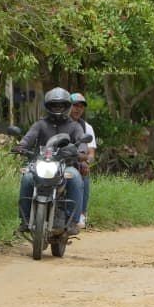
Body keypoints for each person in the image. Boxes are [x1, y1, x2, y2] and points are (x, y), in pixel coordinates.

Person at [15, 87, 86, 235]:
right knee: (27, 178)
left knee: (75, 178)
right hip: (41, 164)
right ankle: (25, 219)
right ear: (48, 106)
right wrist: (21, 146)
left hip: (65, 166)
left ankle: (72, 221)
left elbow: (82, 142)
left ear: (67, 106)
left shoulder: (74, 126)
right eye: (54, 105)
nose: (58, 108)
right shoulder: (40, 124)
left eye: (61, 105)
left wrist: (81, 152)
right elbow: (29, 137)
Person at [69, 92, 97, 228]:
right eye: (75, 105)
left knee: (84, 173)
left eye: (81, 106)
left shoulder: (87, 128)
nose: (78, 109)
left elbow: (91, 152)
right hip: (56, 161)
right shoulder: (57, 123)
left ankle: (81, 213)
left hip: (76, 162)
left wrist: (86, 161)